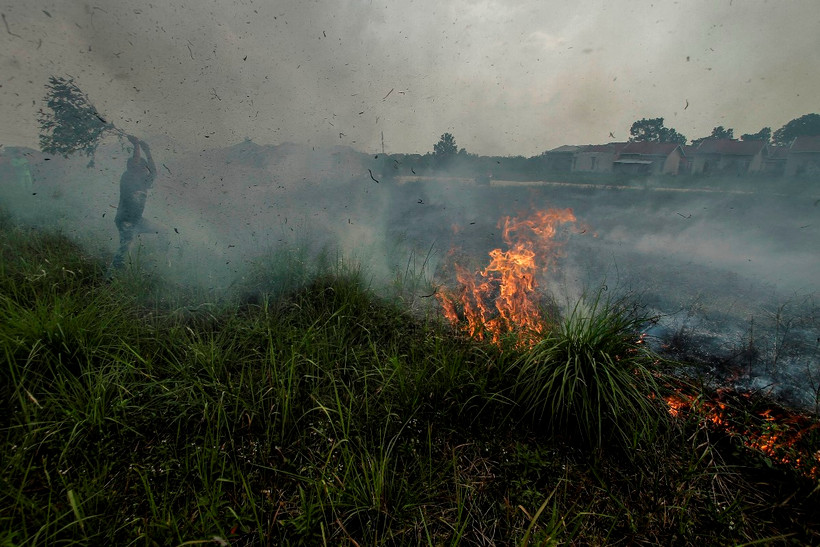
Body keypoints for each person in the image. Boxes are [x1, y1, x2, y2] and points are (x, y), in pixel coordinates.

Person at [109, 135, 157, 274]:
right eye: (143, 167)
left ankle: (162, 260)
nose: (145, 170)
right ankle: (109, 279)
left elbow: (154, 172)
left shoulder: (143, 182)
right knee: (124, 250)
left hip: (137, 221)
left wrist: (147, 151)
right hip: (125, 220)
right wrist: (136, 145)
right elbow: (136, 162)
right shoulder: (128, 177)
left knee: (164, 230)